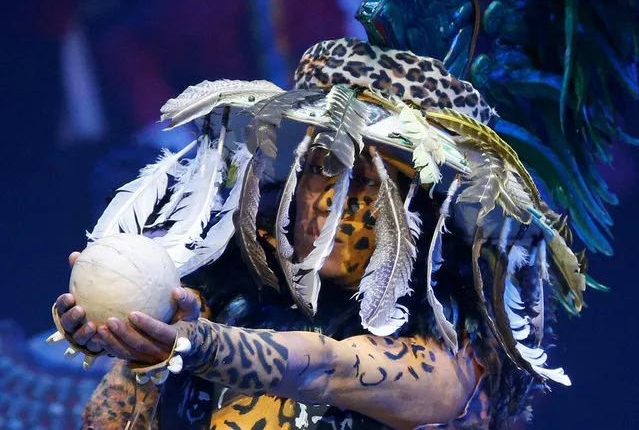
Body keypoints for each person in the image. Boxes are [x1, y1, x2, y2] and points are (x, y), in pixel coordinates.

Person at [51, 36, 576, 430]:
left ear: (431, 226)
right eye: (326, 165)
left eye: (378, 185)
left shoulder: (453, 369)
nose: (338, 201)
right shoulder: (219, 302)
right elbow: (103, 420)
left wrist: (198, 345)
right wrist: (142, 349)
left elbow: (323, 368)